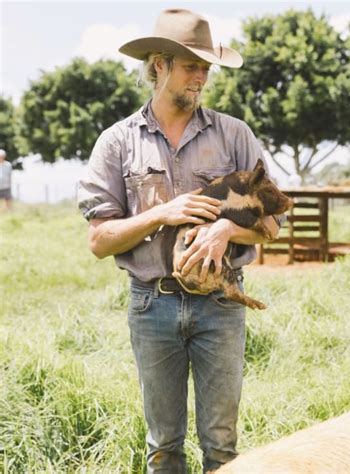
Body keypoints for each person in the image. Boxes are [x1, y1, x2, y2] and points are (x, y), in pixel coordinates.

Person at [78, 8, 282, 474]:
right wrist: (162, 212)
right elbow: (99, 240)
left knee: (223, 447)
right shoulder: (118, 142)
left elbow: (272, 226)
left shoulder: (234, 136)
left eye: (206, 67)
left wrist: (227, 227)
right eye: (192, 65)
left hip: (222, 305)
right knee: (163, 447)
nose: (202, 77)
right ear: (158, 66)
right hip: (152, 305)